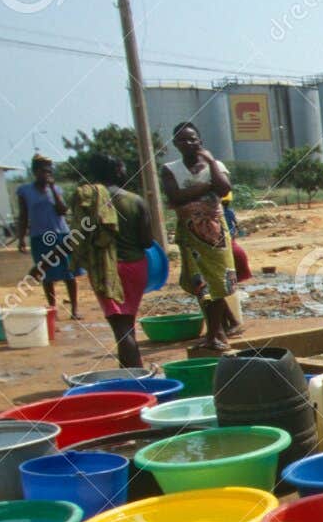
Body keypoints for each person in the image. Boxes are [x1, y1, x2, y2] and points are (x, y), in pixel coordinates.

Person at [70, 153, 152, 369]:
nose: (126, 172)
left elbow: (79, 237)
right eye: (123, 167)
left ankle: (136, 377)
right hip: (136, 267)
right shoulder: (135, 201)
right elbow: (146, 241)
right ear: (116, 170)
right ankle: (131, 373)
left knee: (121, 328)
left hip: (104, 269)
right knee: (127, 324)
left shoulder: (88, 201)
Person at [161, 122, 235, 351]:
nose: (189, 143)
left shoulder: (215, 165)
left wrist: (211, 163)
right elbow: (174, 195)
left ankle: (217, 331)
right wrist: (206, 187)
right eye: (183, 140)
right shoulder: (170, 169)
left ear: (200, 141)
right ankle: (216, 332)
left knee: (220, 280)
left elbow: (223, 188)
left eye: (193, 139)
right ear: (175, 144)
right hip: (190, 234)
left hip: (216, 233)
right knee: (201, 283)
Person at [16, 154, 80, 320]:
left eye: (49, 171)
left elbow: (63, 210)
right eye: (44, 171)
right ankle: (53, 311)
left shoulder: (56, 189)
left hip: (61, 235)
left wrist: (52, 190)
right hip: (39, 238)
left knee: (69, 274)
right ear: (36, 172)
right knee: (47, 275)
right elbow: (23, 216)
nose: (47, 174)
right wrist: (21, 237)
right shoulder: (25, 191)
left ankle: (75, 310)